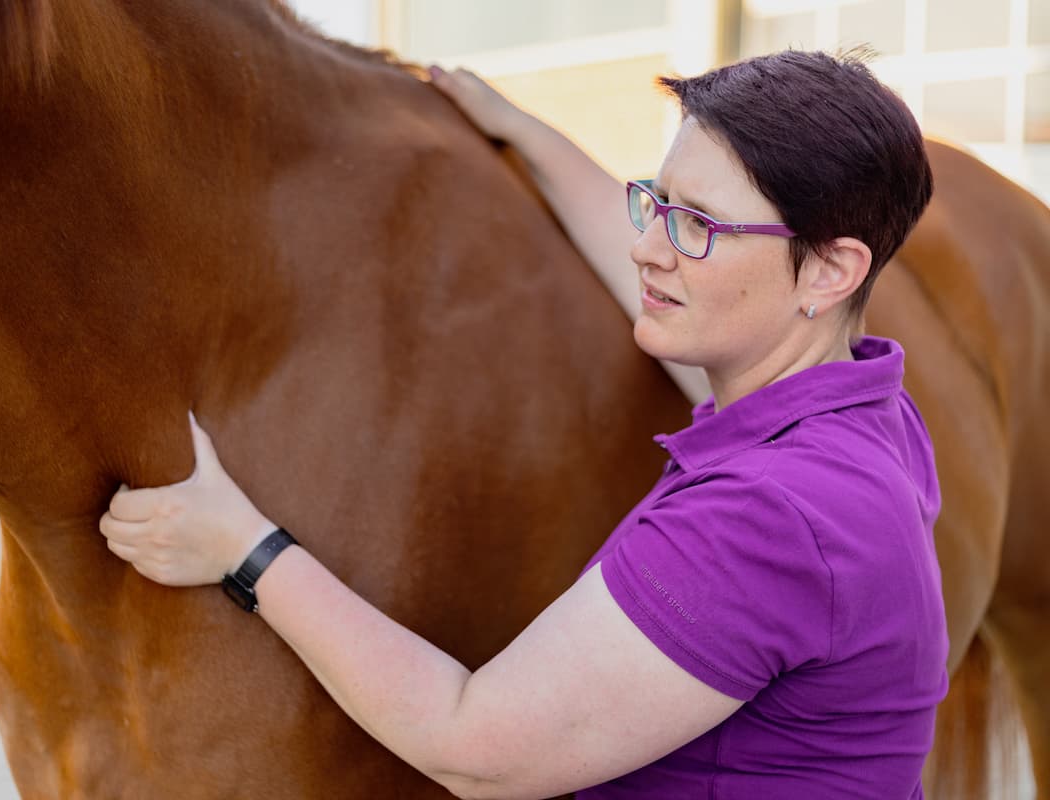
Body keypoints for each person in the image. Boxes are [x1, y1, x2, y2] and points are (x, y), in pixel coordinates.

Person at [99, 49, 949, 799]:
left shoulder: (771, 518)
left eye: (697, 226)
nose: (649, 248)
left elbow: (475, 751)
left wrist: (242, 549)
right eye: (655, 201)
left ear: (830, 271)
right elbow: (664, 302)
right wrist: (529, 136)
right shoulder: (863, 410)